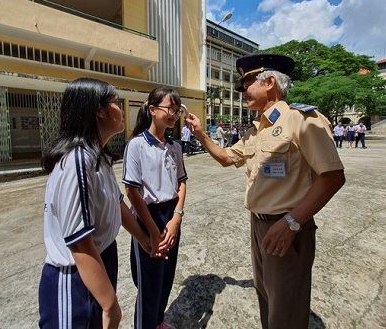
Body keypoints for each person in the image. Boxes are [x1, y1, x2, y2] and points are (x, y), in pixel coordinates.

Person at [186, 54, 345, 329]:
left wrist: (292, 222)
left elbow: (332, 177)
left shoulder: (302, 120)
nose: (242, 90)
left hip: (288, 227)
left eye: (247, 82)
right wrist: (200, 134)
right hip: (259, 225)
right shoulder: (256, 129)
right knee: (268, 300)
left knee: (287, 310)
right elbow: (226, 158)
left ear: (269, 81)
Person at [38, 78, 151, 329]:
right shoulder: (78, 161)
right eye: (115, 102)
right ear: (98, 110)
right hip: (76, 276)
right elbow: (79, 243)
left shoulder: (98, 156)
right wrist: (111, 305)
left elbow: (117, 203)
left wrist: (143, 238)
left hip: (100, 260)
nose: (121, 109)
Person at [122, 87, 188, 329]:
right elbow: (132, 191)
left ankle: (158, 321)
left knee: (167, 275)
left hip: (170, 216)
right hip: (146, 216)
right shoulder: (136, 145)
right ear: (152, 109)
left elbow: (181, 182)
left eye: (177, 110)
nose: (173, 114)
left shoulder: (175, 146)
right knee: (149, 282)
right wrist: (151, 229)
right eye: (169, 108)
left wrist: (176, 218)